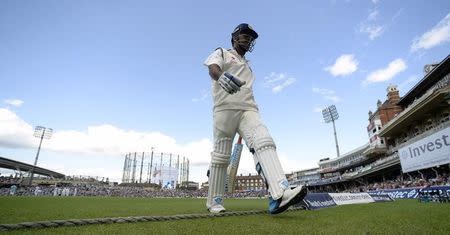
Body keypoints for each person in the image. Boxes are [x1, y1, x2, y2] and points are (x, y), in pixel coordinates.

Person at [203, 23, 307, 214]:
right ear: (234, 37)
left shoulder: (248, 66)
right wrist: (222, 77)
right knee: (221, 157)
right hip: (225, 109)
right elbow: (213, 67)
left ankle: (279, 193)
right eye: (244, 35)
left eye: (250, 37)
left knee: (264, 141)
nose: (248, 39)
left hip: (248, 110)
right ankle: (214, 201)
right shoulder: (223, 52)